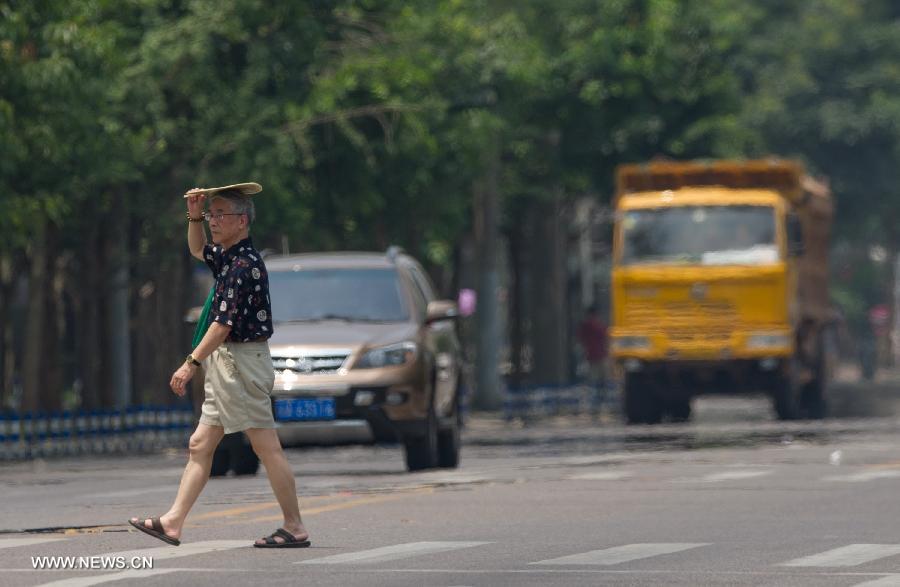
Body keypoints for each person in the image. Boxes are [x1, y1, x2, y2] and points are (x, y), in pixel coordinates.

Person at [129, 186, 310, 548]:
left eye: (220, 214)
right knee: (200, 444)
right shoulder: (228, 257)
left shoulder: (243, 265)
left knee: (266, 446)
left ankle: (294, 526)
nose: (213, 221)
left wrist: (190, 362)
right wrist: (193, 215)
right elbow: (197, 249)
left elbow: (222, 324)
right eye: (211, 215)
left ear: (242, 221)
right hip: (229, 363)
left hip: (241, 364)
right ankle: (173, 522)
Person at [577, 304, 610, 413]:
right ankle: (599, 402)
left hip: (593, 356)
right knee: (599, 380)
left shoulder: (586, 325)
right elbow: (605, 334)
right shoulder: (594, 325)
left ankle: (597, 402)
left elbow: (581, 337)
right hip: (598, 356)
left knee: (597, 380)